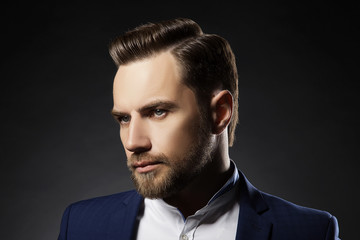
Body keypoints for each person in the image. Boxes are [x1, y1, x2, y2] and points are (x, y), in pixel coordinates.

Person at [58, 18, 340, 240]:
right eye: (124, 119)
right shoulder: (81, 227)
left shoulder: (310, 232)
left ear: (219, 113)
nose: (133, 142)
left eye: (157, 112)